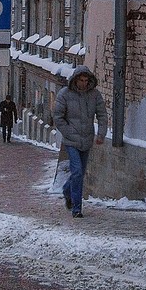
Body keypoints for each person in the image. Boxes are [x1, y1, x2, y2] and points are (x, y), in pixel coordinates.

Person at [53, 65, 106, 218]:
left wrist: (101, 134)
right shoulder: (65, 94)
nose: (83, 83)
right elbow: (58, 117)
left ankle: (67, 190)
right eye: (80, 80)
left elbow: (102, 115)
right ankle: (77, 208)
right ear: (75, 80)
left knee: (80, 174)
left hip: (87, 139)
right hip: (71, 140)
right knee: (76, 171)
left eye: (86, 80)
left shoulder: (94, 95)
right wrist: (69, 132)